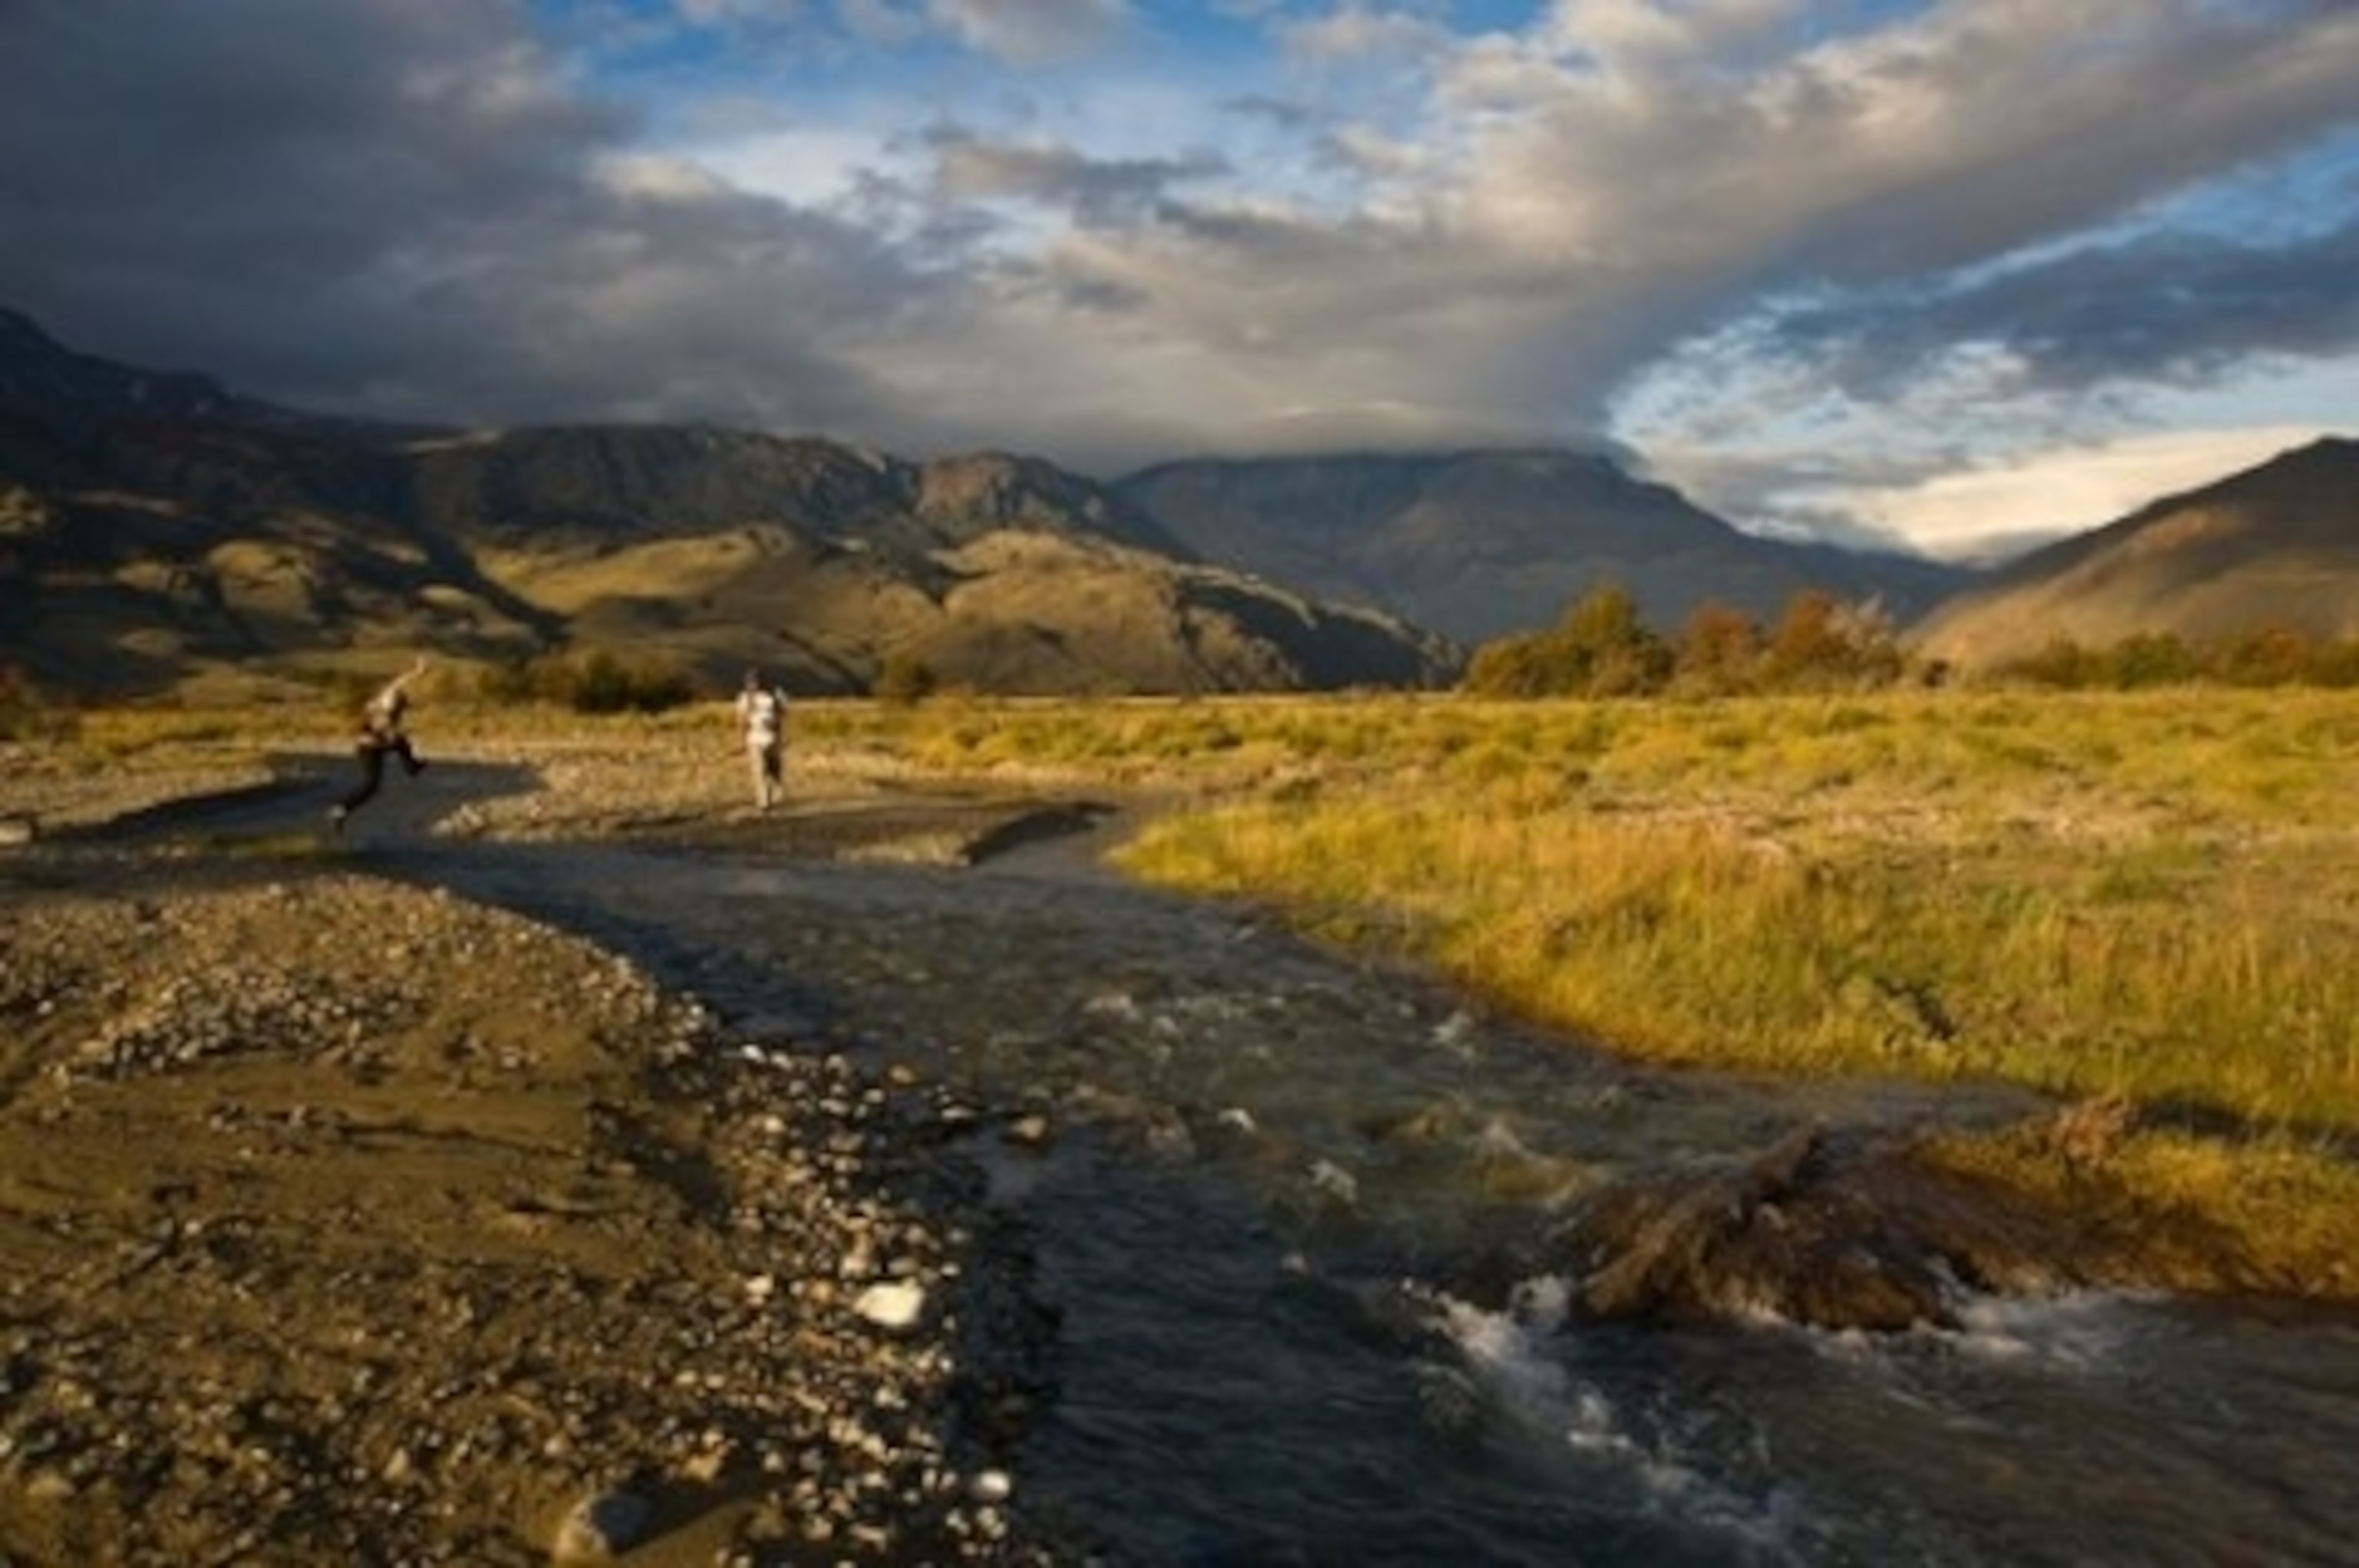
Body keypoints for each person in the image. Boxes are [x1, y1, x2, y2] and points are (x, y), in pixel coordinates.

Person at [330, 655, 429, 832]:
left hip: (370, 747)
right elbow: (386, 731)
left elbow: (400, 682)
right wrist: (395, 735)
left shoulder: (388, 701)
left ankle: (341, 810)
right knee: (398, 745)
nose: (404, 706)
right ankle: (412, 767)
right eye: (403, 704)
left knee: (372, 785)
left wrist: (418, 671)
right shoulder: (386, 708)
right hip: (369, 747)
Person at [736, 667, 789, 810]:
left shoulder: (776, 694)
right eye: (749, 682)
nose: (752, 685)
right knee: (759, 770)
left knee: (774, 769)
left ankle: (777, 795)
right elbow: (741, 720)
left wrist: (780, 731)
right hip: (754, 737)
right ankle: (763, 801)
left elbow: (783, 714)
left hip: (772, 737)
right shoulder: (745, 698)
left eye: (755, 681)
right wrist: (741, 740)